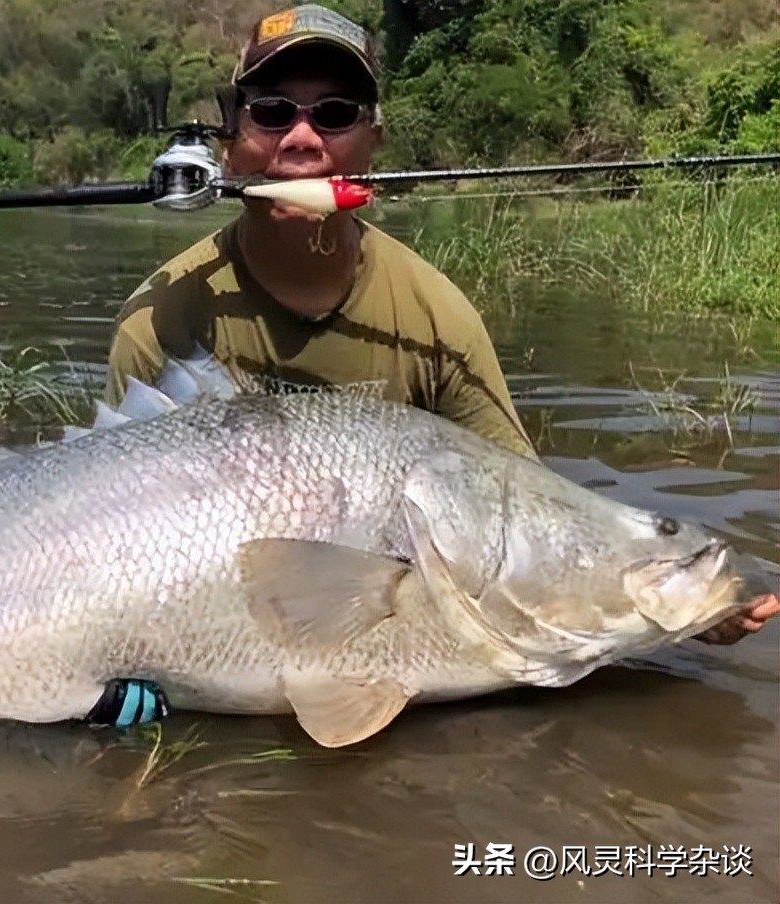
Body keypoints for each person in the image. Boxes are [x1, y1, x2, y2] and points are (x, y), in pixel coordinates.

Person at [94, 2, 777, 710]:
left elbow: (522, 508)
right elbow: (106, 537)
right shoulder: (162, 315)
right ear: (232, 142)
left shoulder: (437, 317)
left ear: (372, 140)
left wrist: (670, 611)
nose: (302, 139)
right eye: (271, 113)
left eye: (334, 114)